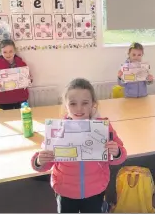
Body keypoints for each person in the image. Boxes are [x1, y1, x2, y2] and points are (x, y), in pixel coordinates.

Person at [31, 78, 127, 213]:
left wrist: (116, 152)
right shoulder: (58, 129)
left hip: (94, 189)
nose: (79, 108)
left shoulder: (102, 127)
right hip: (65, 190)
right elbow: (46, 162)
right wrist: (39, 160)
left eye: (85, 103)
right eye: (73, 104)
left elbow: (119, 156)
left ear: (93, 104)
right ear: (66, 105)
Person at [0, 39, 32, 110]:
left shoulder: (21, 63)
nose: (8, 54)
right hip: (5, 100)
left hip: (21, 98)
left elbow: (28, 78)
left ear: (15, 51)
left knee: (23, 118)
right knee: (7, 119)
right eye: (5, 52)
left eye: (10, 51)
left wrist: (29, 79)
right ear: (1, 52)